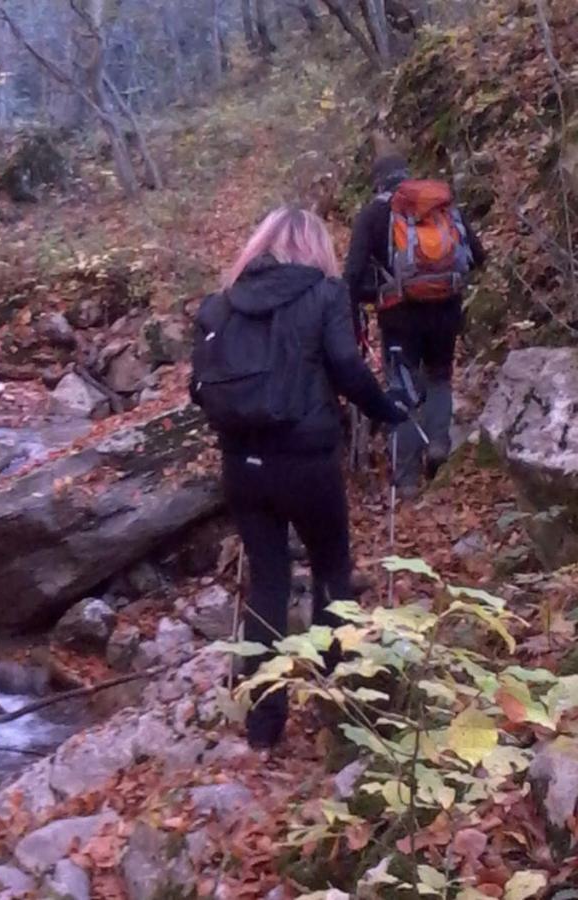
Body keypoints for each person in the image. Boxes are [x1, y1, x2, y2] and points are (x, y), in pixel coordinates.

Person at [191, 207, 409, 749]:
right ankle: (338, 702)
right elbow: (347, 366)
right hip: (307, 459)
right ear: (315, 247)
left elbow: (198, 388)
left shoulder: (221, 304)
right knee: (332, 567)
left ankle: (263, 729)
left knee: (268, 582)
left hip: (243, 464)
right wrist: (389, 410)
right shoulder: (326, 293)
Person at [345, 155, 486, 496]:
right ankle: (439, 443)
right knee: (439, 377)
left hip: (399, 317)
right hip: (447, 310)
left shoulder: (374, 214)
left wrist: (371, 297)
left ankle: (406, 480)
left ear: (377, 181)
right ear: (408, 175)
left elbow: (351, 276)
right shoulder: (440, 206)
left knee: (402, 390)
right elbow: (478, 256)